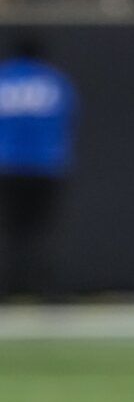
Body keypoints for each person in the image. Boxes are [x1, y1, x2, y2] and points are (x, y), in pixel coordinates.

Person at [0, 37, 77, 301]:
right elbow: (67, 120)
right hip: (46, 167)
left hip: (7, 165)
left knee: (10, 230)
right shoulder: (54, 81)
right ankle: (46, 289)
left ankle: (8, 288)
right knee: (42, 231)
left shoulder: (4, 78)